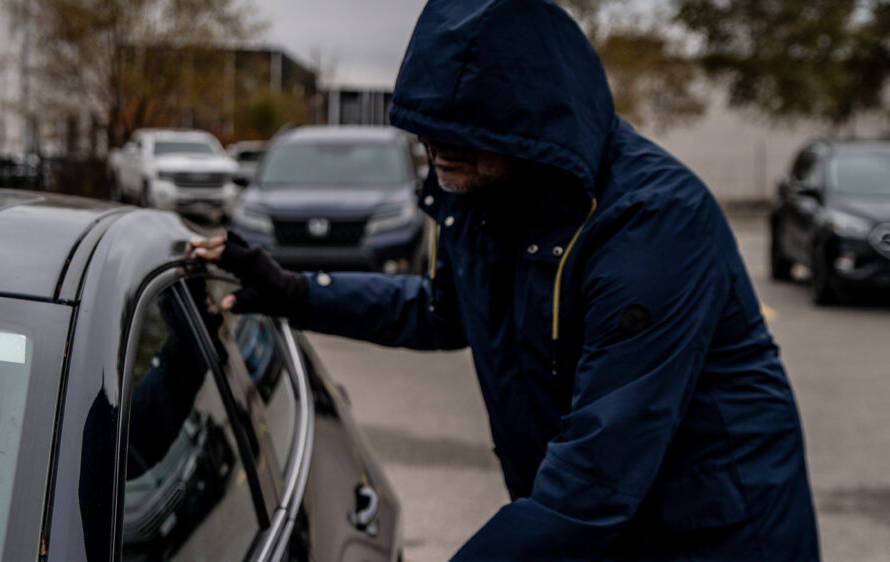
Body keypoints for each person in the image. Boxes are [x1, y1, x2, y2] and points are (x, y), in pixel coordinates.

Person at [190, 0, 819, 559]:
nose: (439, 148)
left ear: (538, 123)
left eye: (467, 131)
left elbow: (593, 482)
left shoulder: (650, 227)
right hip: (593, 525)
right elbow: (442, 312)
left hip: (716, 533)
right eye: (427, 125)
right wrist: (298, 293)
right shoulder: (481, 191)